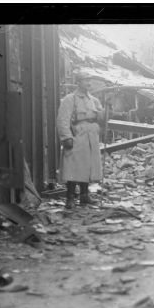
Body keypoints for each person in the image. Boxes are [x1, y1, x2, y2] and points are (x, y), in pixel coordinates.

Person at [57, 69, 105, 209]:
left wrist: (108, 109)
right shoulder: (70, 99)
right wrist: (66, 137)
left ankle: (84, 196)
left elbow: (102, 119)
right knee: (74, 166)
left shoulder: (94, 100)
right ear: (78, 82)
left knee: (88, 166)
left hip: (91, 136)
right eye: (85, 79)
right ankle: (70, 198)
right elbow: (62, 119)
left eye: (89, 80)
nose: (88, 82)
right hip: (77, 135)